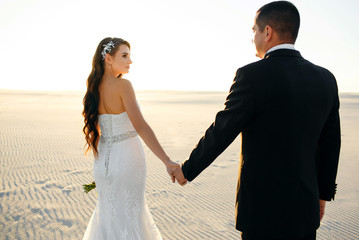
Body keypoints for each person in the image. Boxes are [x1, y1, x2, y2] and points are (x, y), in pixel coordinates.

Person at [172, 1, 341, 239]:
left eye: (254, 31)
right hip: (305, 209)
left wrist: (186, 170)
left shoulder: (251, 76)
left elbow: (222, 130)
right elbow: (331, 143)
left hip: (262, 212)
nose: (253, 38)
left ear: (268, 32)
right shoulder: (326, 79)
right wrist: (322, 194)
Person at [82, 37, 178, 240]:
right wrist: (167, 161)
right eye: (124, 56)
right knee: (131, 215)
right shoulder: (123, 85)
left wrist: (106, 169)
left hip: (102, 164)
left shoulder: (93, 88)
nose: (130, 61)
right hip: (127, 159)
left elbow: (100, 131)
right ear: (108, 59)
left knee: (108, 215)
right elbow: (141, 126)